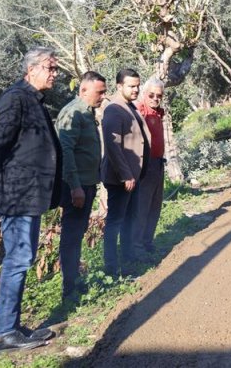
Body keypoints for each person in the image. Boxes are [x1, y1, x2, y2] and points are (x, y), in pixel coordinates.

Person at [0, 47, 62, 352]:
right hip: (17, 194)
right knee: (18, 260)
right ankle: (5, 333)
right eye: (51, 68)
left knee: (21, 260)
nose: (55, 74)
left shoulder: (31, 99)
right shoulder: (16, 98)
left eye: (55, 69)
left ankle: (10, 327)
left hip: (27, 193)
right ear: (32, 69)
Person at [56, 71, 107, 300]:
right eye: (100, 92)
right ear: (83, 90)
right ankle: (69, 289)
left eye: (104, 92)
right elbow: (65, 151)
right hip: (76, 186)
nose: (103, 97)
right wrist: (75, 187)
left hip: (87, 183)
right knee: (71, 236)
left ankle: (74, 282)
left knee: (77, 234)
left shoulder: (87, 113)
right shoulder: (73, 113)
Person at [100, 68, 150, 277]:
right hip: (122, 178)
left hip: (133, 176)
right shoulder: (113, 109)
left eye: (138, 85)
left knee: (129, 220)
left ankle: (128, 260)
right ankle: (112, 268)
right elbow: (113, 146)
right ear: (119, 86)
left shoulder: (130, 107)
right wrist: (125, 175)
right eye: (131, 86)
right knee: (115, 223)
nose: (136, 89)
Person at [133, 78, 166, 255]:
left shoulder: (159, 112)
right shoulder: (140, 111)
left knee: (155, 206)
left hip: (158, 164)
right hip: (144, 166)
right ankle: (137, 247)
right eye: (151, 95)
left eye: (158, 95)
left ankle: (147, 243)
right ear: (144, 94)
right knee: (142, 207)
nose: (155, 98)